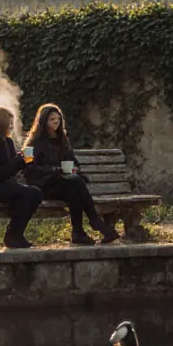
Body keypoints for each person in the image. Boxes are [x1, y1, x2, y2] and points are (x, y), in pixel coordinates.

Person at [23, 103, 121, 245]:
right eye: (52, 119)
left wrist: (73, 169)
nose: (56, 122)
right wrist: (56, 170)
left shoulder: (62, 140)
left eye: (58, 119)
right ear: (43, 121)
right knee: (75, 184)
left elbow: (74, 163)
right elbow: (31, 171)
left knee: (74, 188)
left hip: (65, 184)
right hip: (45, 186)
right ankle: (93, 223)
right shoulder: (34, 143)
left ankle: (79, 233)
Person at [0, 106, 43, 249]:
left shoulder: (8, 142)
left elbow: (11, 169)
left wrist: (25, 162)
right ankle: (13, 235)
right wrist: (18, 162)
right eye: (9, 123)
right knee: (27, 194)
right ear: (0, 124)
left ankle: (15, 233)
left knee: (35, 193)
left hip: (6, 185)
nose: (12, 127)